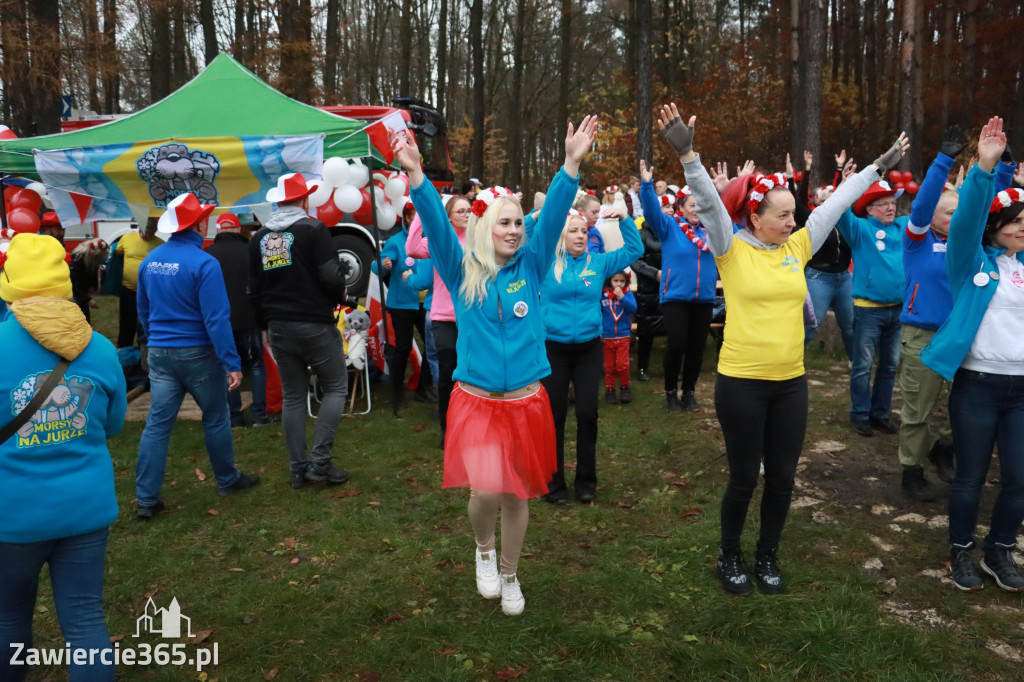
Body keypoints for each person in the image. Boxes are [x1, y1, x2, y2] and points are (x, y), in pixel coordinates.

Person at [656, 103, 908, 595]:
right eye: (784, 214)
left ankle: (766, 554)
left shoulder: (798, 247)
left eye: (795, 213)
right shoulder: (730, 248)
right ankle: (730, 555)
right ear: (756, 215)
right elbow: (708, 202)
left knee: (784, 479)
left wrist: (878, 167)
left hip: (791, 384)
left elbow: (834, 205)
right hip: (742, 384)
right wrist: (687, 154)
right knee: (745, 477)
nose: (795, 220)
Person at [395, 115, 597, 616]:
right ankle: (483, 551)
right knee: (485, 491)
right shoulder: (463, 270)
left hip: (528, 402)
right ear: (485, 227)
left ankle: (510, 573)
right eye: (503, 223)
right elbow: (439, 229)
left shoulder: (531, 265)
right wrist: (418, 177)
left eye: (517, 223)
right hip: (480, 403)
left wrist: (570, 164)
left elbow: (550, 219)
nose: (513, 230)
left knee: (518, 496)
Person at [0, 234, 126, 682]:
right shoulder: (101, 349)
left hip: (12, 515)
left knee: (8, 619)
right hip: (85, 508)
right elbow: (112, 426)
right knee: (85, 620)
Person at [921, 118, 1024, 593]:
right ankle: (960, 551)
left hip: (1021, 388)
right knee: (970, 478)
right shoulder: (971, 262)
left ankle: (999, 550)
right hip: (978, 386)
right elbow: (965, 223)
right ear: (999, 228)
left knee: (1019, 481)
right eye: (1017, 223)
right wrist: (986, 168)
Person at [135, 193, 261, 518]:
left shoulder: (150, 261)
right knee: (216, 417)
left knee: (157, 425)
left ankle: (146, 499)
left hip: (161, 352)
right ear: (200, 223)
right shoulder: (205, 263)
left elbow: (143, 310)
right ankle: (227, 479)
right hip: (199, 354)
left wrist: (155, 341)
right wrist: (232, 363)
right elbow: (216, 320)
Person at [248, 173, 350, 489]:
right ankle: (319, 464)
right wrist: (340, 289)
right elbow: (331, 276)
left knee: (294, 397)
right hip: (314, 323)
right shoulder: (313, 230)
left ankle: (297, 469)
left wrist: (264, 325)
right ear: (305, 200)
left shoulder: (259, 238)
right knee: (335, 388)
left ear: (279, 201)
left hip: (278, 326)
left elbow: (253, 289)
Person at [540, 204, 642, 504]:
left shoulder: (597, 263)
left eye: (584, 231)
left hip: (588, 350)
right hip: (553, 349)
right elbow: (528, 240)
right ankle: (553, 484)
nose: (580, 236)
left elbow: (633, 249)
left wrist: (624, 218)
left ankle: (586, 482)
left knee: (587, 413)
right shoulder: (545, 263)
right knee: (554, 416)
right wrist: (540, 216)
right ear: (560, 236)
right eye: (573, 230)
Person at [895, 126, 967, 501]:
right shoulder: (917, 241)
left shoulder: (968, 246)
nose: (957, 218)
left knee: (966, 407)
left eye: (959, 212)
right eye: (950, 212)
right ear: (935, 218)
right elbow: (921, 206)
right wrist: (943, 162)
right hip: (922, 335)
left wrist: (1000, 171)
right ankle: (911, 468)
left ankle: (945, 449)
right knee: (917, 409)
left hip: (960, 337)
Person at [639, 162, 717, 412]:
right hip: (674, 296)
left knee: (696, 346)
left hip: (703, 298)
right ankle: (671, 392)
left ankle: (690, 392)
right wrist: (647, 186)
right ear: (681, 207)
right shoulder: (670, 226)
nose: (697, 210)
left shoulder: (711, 230)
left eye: (700, 206)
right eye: (692, 205)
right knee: (677, 343)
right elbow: (651, 212)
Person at [837, 174, 909, 437]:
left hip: (898, 309)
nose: (891, 207)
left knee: (890, 365)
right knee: (863, 364)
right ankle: (860, 414)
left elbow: (927, 214)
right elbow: (840, 211)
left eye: (892, 202)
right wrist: (846, 187)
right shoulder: (859, 229)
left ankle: (880, 414)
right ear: (869, 210)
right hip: (868, 309)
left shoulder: (903, 227)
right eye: (883, 204)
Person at [406, 195, 473, 447]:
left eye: (469, 210)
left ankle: (470, 425)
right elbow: (412, 248)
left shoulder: (478, 239)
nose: (466, 214)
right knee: (448, 373)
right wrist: (424, 215)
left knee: (471, 374)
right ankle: (448, 430)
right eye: (460, 211)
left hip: (472, 317)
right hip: (443, 318)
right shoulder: (439, 240)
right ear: (448, 215)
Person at [204, 212, 268, 428]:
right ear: (238, 229)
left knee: (226, 368)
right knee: (257, 366)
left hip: (220, 322)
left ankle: (234, 417)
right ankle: (260, 416)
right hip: (250, 318)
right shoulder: (252, 251)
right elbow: (261, 285)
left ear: (218, 231)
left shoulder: (207, 254)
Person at [371, 214, 436, 413]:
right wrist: (385, 265)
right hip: (402, 304)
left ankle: (423, 387)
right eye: (412, 216)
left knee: (432, 345)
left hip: (427, 303)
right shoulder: (396, 241)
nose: (418, 220)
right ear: (406, 218)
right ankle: (397, 392)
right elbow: (375, 267)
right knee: (403, 346)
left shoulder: (431, 238)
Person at [115, 218, 163, 348]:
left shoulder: (160, 245)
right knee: (126, 323)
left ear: (155, 230)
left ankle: (144, 354)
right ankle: (124, 353)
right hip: (128, 290)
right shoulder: (126, 238)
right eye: (144, 227)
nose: (145, 231)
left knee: (146, 324)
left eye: (150, 229)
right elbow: (117, 254)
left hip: (150, 294)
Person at [631, 216, 664, 383]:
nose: (669, 211)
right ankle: (643, 367)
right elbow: (635, 261)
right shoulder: (641, 234)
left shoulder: (673, 231)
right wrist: (655, 274)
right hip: (649, 291)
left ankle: (672, 367)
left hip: (672, 289)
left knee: (674, 329)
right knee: (646, 332)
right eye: (664, 208)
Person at [601, 269, 637, 404]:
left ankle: (625, 388)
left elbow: (633, 308)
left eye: (622, 281)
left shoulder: (627, 294)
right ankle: (610, 390)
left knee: (622, 365)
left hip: (623, 335)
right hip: (607, 336)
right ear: (610, 281)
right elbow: (598, 312)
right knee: (609, 366)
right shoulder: (603, 295)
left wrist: (622, 297)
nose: (618, 284)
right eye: (615, 281)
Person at [68, 238, 109, 323]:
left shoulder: (92, 260)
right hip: (73, 295)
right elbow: (73, 284)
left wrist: (94, 286)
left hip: (82, 293)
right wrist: (88, 299)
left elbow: (93, 275)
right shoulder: (78, 259)